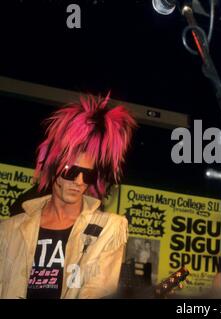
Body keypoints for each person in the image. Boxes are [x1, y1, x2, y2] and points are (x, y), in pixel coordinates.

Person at [0, 94, 136, 298]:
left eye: (88, 174)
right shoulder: (10, 230)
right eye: (71, 172)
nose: (79, 181)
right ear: (53, 168)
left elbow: (98, 291)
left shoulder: (109, 229)